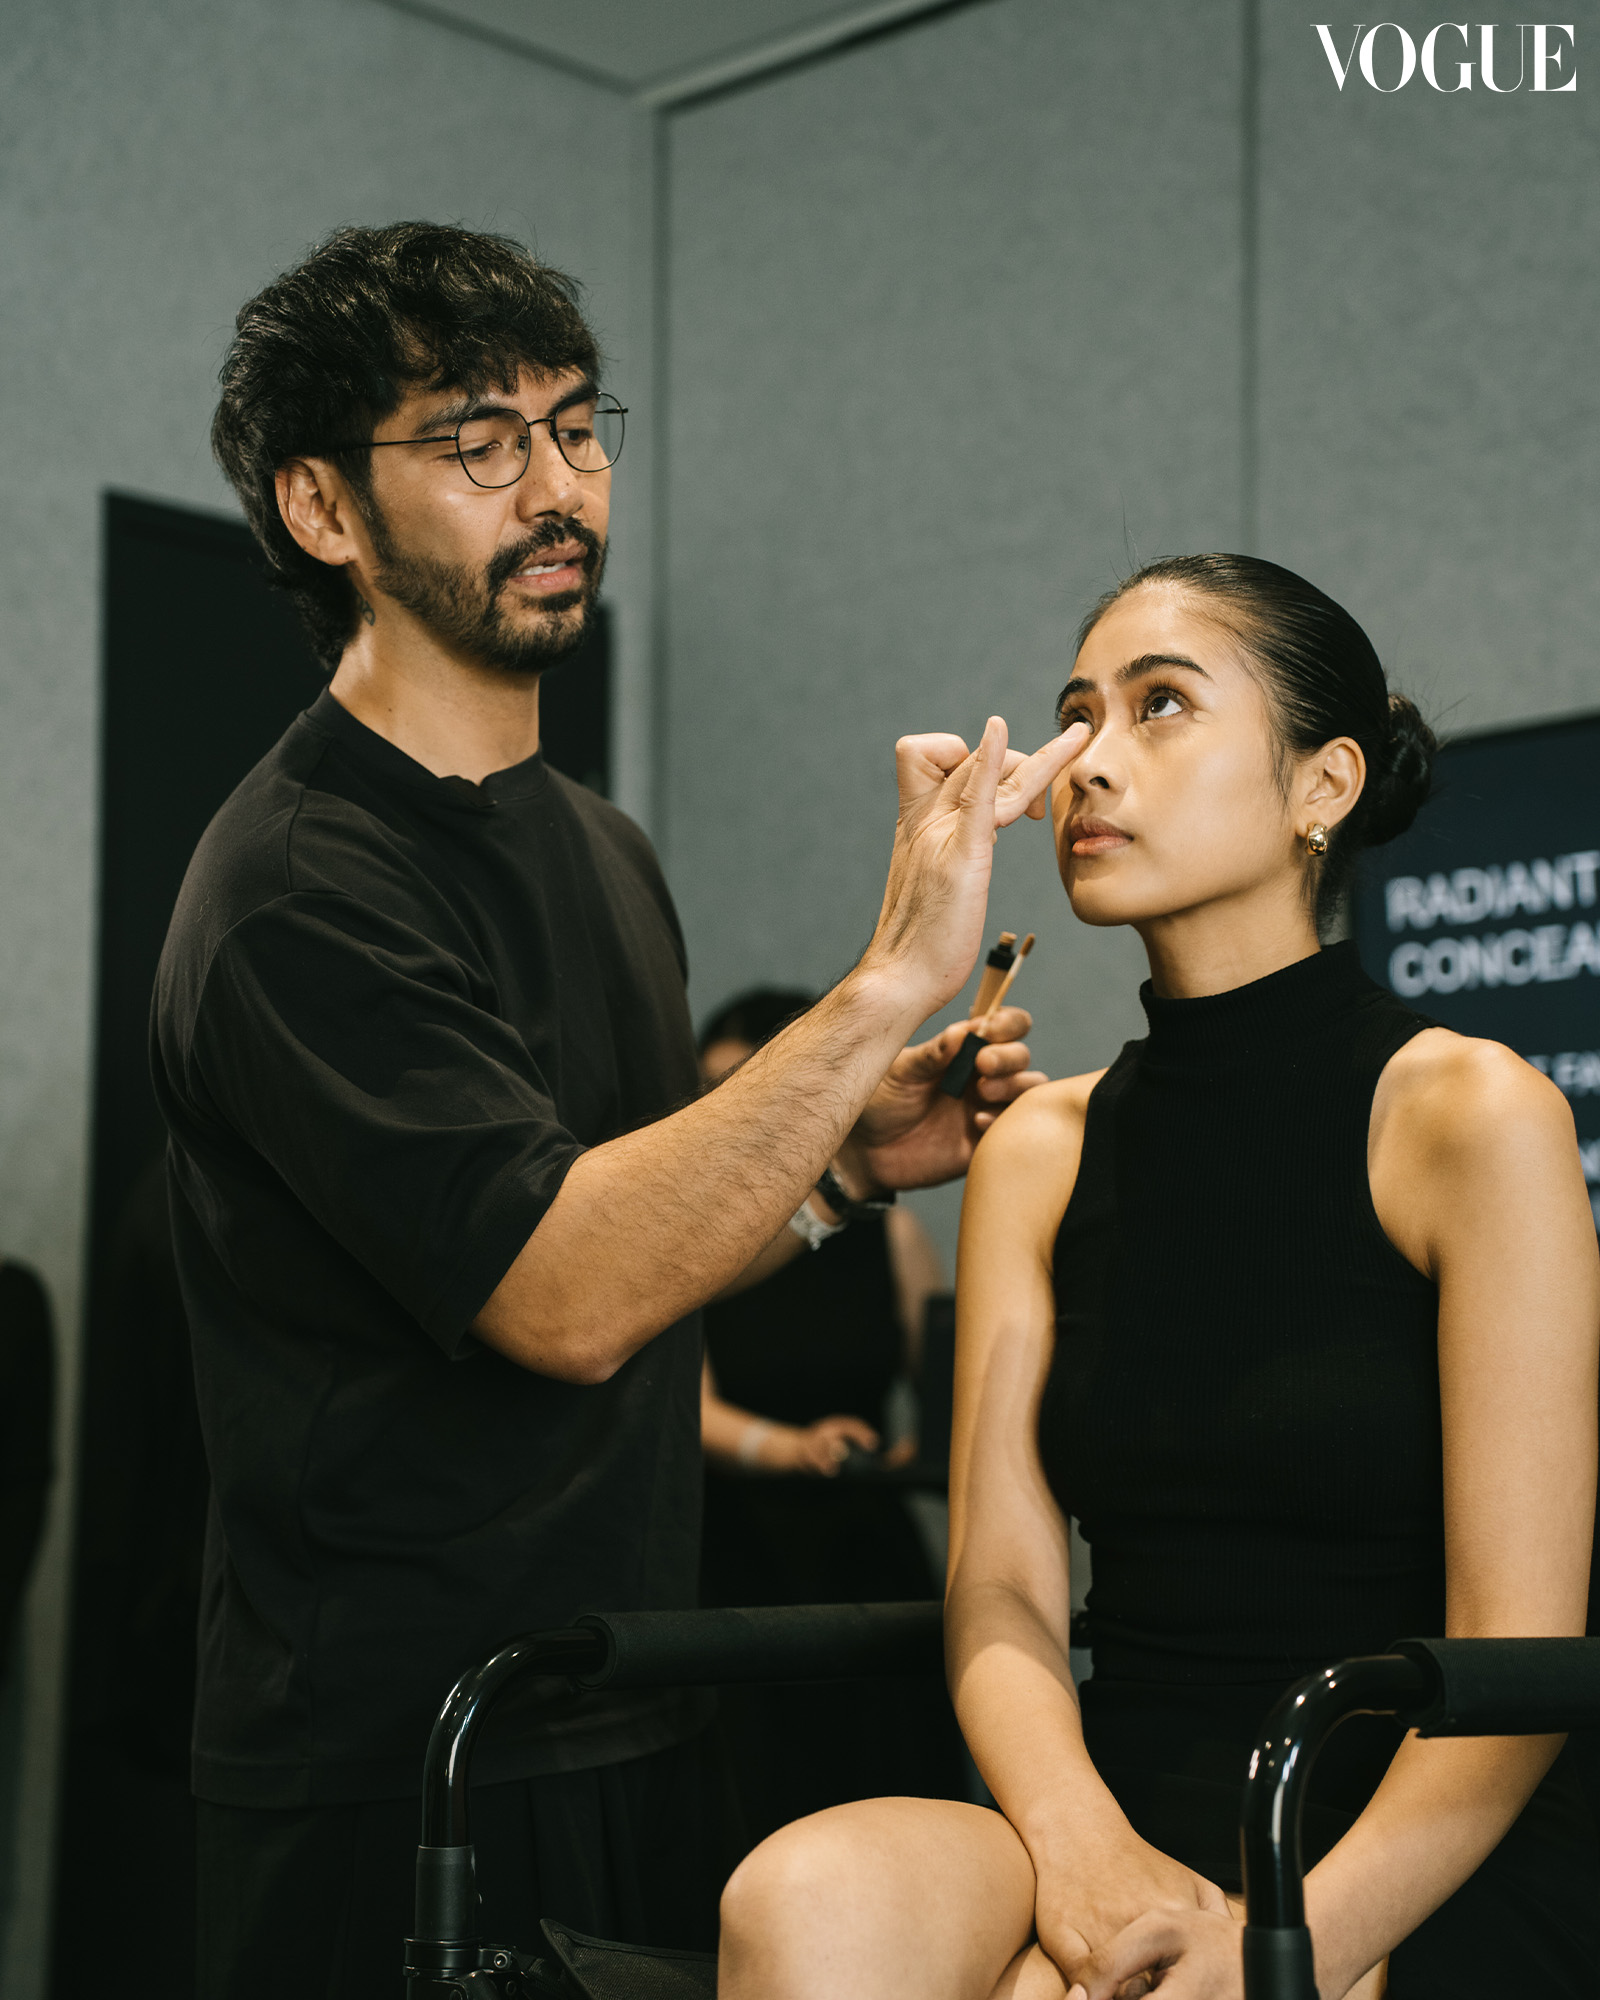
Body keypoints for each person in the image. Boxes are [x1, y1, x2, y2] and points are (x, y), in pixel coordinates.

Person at [153, 221, 1083, 1997]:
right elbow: (563, 1296)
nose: (556, 486)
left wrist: (830, 1178)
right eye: (477, 442)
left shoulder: (600, 847)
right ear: (322, 509)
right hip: (397, 1764)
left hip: (627, 1702)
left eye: (578, 429)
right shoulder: (296, 887)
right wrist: (887, 974)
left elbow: (636, 1244)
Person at [718, 554, 1600, 2000]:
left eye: (1162, 707)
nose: (1087, 766)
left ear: (1323, 787)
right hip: (1120, 1803)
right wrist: (1077, 1852)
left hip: (1416, 1834)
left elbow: (1516, 1668)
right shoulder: (1041, 1147)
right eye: (1078, 716)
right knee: (802, 1900)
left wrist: (1286, 1941)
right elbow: (1000, 1587)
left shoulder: (1471, 1117)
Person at [696, 987, 963, 1837]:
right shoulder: (694, 1239)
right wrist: (794, 1449)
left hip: (866, 1546)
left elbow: (942, 1380)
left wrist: (932, 1439)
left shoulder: (885, 1233)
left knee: (893, 1786)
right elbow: (684, 1409)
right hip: (738, 1557)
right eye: (714, 1091)